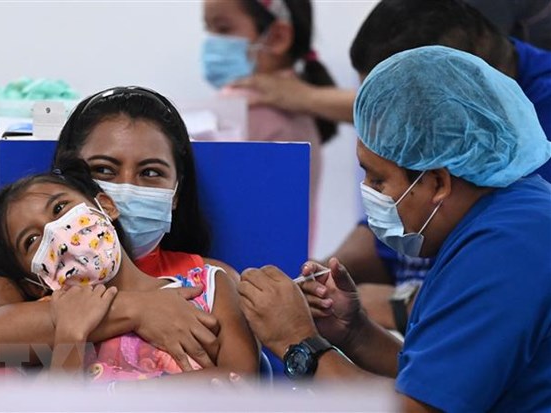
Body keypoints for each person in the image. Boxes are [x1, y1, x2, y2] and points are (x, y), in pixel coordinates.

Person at [238, 46, 551, 411]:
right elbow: (438, 381)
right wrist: (355, 332)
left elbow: (416, 409)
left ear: (437, 182)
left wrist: (296, 342)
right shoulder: (505, 218)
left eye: (379, 179)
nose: (368, 192)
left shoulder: (504, 250)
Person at [233, 0, 551, 332]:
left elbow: (497, 295)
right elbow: (405, 205)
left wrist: (401, 305)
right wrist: (324, 272)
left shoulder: (517, 218)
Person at [0, 86, 238, 372]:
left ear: (176, 194)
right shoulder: (17, 271)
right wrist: (138, 310)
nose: (126, 189)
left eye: (150, 173)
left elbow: (238, 383)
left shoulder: (209, 283)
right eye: (104, 170)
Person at [0, 158, 258, 380]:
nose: (56, 233)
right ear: (33, 281)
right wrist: (69, 337)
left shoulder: (209, 288)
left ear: (105, 205)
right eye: (32, 240)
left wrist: (118, 399)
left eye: (59, 208)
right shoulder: (45, 328)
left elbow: (239, 383)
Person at [202, 0, 338, 247]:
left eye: (222, 29)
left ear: (277, 36)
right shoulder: (299, 111)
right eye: (208, 29)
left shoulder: (248, 111)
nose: (211, 41)